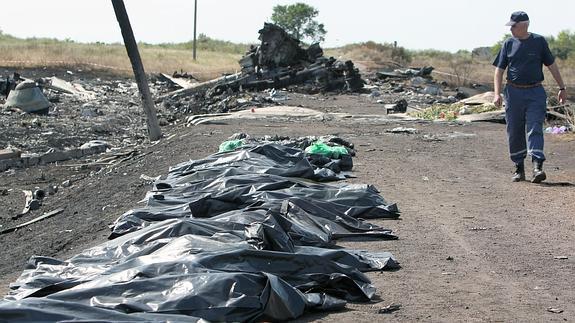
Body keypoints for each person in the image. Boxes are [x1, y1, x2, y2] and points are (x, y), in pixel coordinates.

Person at [493, 11, 567, 183]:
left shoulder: (539, 42)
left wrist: (562, 87)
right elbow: (499, 70)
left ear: (524, 26)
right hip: (513, 93)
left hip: (535, 92)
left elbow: (552, 66)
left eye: (514, 26)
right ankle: (519, 168)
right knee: (515, 130)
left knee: (535, 127)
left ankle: (537, 166)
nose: (511, 29)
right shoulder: (508, 44)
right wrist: (497, 94)